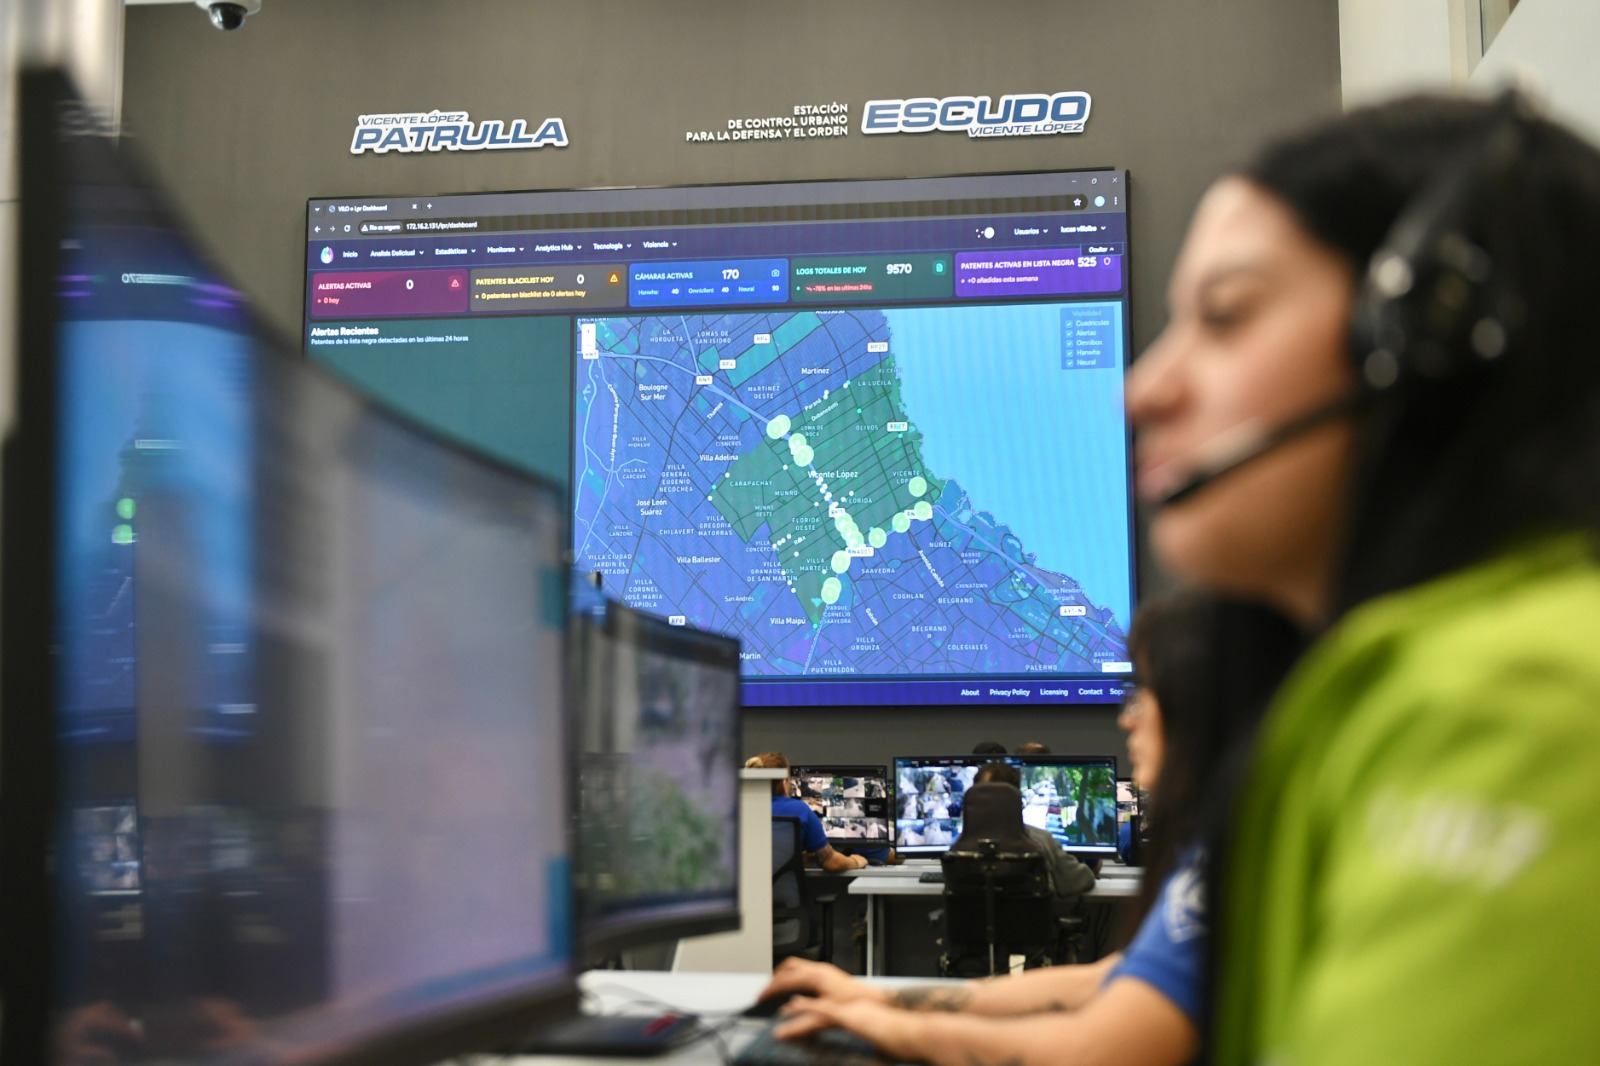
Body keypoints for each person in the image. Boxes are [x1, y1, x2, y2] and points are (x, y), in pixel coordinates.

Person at [1126, 94, 1600, 1062]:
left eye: (1225, 317)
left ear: (1426, 341)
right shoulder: (1367, 693)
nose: (1143, 389)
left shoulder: (1517, 705)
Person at [764, 593, 1303, 1066]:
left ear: (1202, 710)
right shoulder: (1209, 860)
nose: (1126, 719)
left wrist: (886, 1024)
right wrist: (872, 997)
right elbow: (1101, 979)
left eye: (1143, 695)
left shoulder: (1247, 865)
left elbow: (1086, 1050)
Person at [969, 760, 1096, 907]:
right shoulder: (1041, 841)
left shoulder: (960, 846)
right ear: (1016, 798)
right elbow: (1078, 881)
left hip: (971, 922)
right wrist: (1095, 864)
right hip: (1031, 922)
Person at [746, 753, 867, 872]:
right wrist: (856, 861)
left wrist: (795, 859)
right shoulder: (799, 810)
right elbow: (831, 862)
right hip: (784, 886)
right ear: (784, 782)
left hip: (747, 885)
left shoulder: (741, 809)